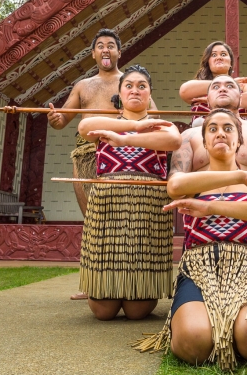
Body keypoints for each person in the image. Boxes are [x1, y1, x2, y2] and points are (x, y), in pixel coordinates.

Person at [135, 109, 247, 371]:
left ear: (239, 141)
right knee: (192, 343)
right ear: (204, 142)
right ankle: (215, 327)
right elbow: (173, 187)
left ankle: (237, 329)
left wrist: (211, 207)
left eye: (229, 128)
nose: (221, 133)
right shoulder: (192, 181)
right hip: (199, 268)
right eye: (213, 129)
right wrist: (240, 176)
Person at [47, 29, 156, 300]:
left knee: (119, 219)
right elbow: (63, 119)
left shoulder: (130, 82)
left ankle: (127, 279)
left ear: (119, 52)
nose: (105, 50)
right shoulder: (83, 86)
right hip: (86, 154)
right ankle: (93, 282)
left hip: (122, 155)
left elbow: (153, 114)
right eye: (100, 46)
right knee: (92, 219)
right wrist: (55, 118)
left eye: (111, 46)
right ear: (94, 54)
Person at [75, 65, 181, 321]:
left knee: (137, 311)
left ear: (149, 94)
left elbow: (174, 141)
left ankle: (137, 289)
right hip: (108, 204)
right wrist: (129, 125)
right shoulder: (103, 125)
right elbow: (84, 126)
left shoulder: (160, 126)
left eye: (142, 86)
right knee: (103, 311)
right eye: (129, 86)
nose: (135, 90)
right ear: (120, 94)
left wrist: (129, 135)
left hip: (147, 207)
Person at [172, 74, 247, 180]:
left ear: (241, 99)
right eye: (216, 87)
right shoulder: (188, 136)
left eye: (230, 86)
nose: (222, 89)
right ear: (207, 101)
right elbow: (175, 181)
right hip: (202, 197)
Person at [179, 41, 247, 117]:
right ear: (208, 63)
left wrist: (215, 100)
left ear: (231, 62)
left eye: (223, 54)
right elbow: (184, 91)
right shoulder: (198, 86)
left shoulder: (243, 84)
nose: (219, 57)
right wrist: (229, 83)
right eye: (213, 55)